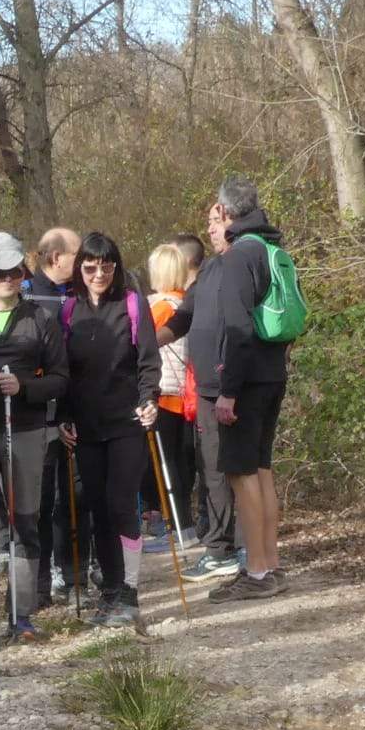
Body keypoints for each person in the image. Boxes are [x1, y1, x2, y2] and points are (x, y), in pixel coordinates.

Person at [161, 177, 291, 601]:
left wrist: (229, 391)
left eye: (215, 216)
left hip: (240, 385)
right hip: (267, 376)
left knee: (241, 472)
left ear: (229, 213)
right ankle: (269, 564)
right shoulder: (262, 251)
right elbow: (187, 318)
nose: (212, 227)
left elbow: (236, 328)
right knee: (261, 469)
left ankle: (255, 572)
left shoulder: (240, 258)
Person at [57, 231, 161, 629]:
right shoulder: (69, 312)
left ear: (115, 268)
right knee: (97, 508)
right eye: (89, 266)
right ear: (79, 269)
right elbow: (65, 372)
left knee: (122, 504)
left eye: (106, 265)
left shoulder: (132, 305)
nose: (98, 273)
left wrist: (149, 399)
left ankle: (130, 592)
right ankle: (111, 590)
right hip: (86, 424)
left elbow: (148, 361)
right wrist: (63, 415)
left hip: (127, 421)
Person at [0, 231, 67, 641]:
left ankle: (21, 613)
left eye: (14, 271)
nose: (8, 279)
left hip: (25, 430)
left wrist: (23, 388)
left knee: (26, 519)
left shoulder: (40, 319)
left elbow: (62, 378)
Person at [162, 227, 240, 582]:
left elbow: (239, 330)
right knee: (214, 467)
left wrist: (231, 387)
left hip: (226, 388)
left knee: (223, 468)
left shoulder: (230, 271)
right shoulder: (203, 281)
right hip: (208, 391)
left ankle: (226, 548)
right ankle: (225, 544)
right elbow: (179, 323)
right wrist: (141, 345)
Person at [26, 227, 80, 601]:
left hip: (78, 406)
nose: (85, 263)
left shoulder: (82, 292)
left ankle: (77, 574)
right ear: (54, 257)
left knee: (77, 495)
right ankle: (40, 584)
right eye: (77, 255)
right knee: (42, 501)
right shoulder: (29, 296)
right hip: (41, 411)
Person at [145, 242, 197, 549]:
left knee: (166, 464)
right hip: (183, 394)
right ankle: (184, 527)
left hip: (164, 392)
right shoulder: (186, 303)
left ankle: (176, 528)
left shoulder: (162, 307)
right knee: (180, 462)